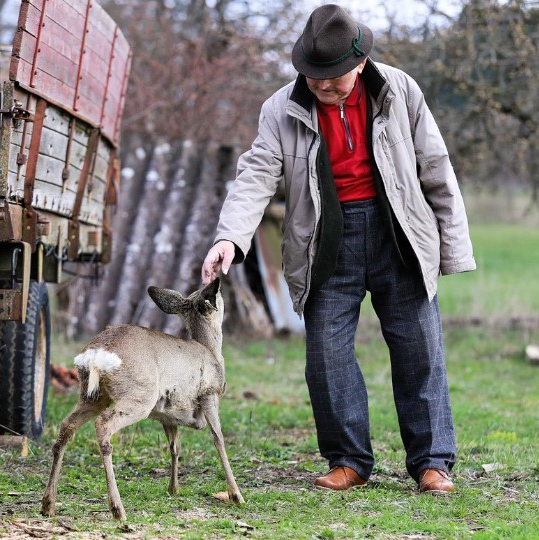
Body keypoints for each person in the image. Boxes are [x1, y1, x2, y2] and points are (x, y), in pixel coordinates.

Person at [201, 4, 475, 494]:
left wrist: (452, 249)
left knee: (421, 351)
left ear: (360, 64)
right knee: (325, 357)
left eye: (334, 78)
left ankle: (432, 462)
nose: (323, 86)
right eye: (313, 77)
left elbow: (437, 168)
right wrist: (230, 238)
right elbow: (256, 176)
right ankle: (348, 460)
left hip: (399, 234)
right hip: (325, 240)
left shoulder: (400, 90)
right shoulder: (279, 109)